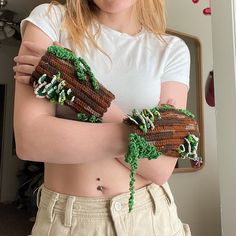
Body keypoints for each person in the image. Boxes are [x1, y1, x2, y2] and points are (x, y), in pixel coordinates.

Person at [13, 0, 191, 235]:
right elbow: (31, 140)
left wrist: (87, 95)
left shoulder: (172, 49)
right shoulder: (51, 18)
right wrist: (145, 137)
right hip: (68, 222)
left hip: (150, 217)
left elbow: (160, 169)